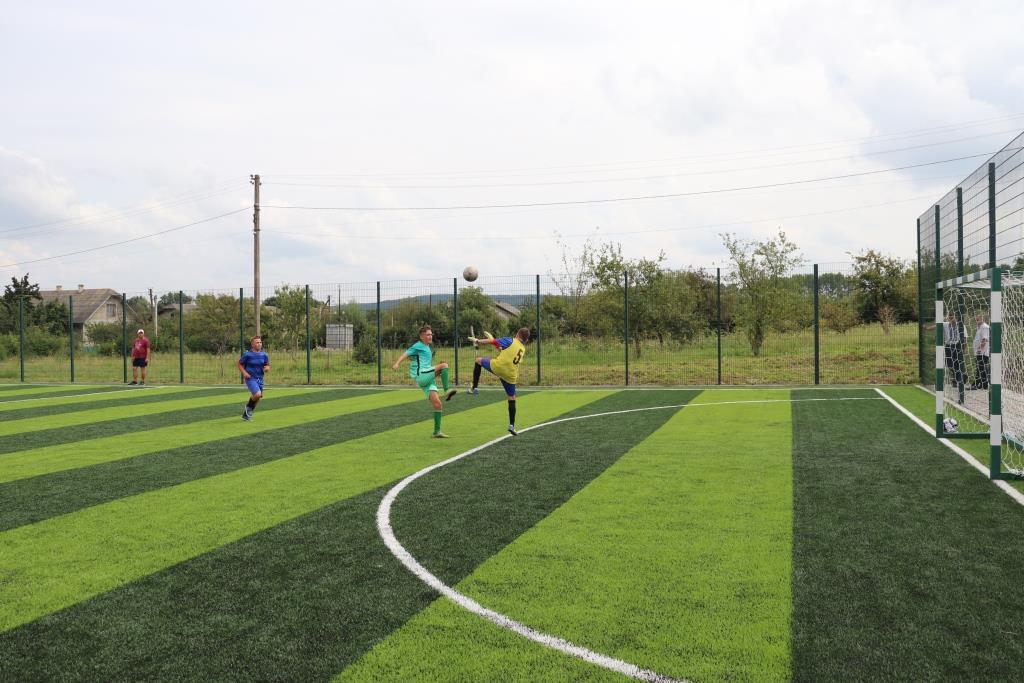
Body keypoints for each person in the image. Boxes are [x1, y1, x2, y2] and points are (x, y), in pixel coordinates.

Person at [392, 324, 457, 438]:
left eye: (431, 334)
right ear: (421, 336)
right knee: (444, 365)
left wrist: (436, 373)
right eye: (428, 335)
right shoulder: (418, 345)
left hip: (427, 377)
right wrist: (397, 363)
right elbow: (405, 354)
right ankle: (446, 391)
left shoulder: (427, 347)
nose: (430, 336)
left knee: (437, 404)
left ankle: (437, 432)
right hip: (422, 375)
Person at [468, 327, 530, 436]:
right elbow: (503, 350)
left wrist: (478, 341)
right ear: (526, 340)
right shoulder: (523, 349)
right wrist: (493, 340)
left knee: (478, 361)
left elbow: (493, 342)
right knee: (512, 398)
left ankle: (475, 388)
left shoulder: (510, 340)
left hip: (498, 367)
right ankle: (512, 425)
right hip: (510, 376)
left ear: (517, 334)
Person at [238, 336, 270, 421]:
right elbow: (240, 364)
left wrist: (267, 368)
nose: (259, 344)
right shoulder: (247, 354)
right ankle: (248, 407)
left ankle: (246, 415)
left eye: (260, 342)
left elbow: (267, 364)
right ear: (252, 344)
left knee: (257, 398)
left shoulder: (264, 355)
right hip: (250, 378)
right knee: (257, 394)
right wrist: (244, 373)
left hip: (260, 379)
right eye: (257, 342)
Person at [945, 311, 967, 404]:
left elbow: (965, 338)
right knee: (950, 364)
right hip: (948, 346)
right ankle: (956, 378)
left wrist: (964, 348)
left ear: (955, 317)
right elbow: (936, 326)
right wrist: (926, 328)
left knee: (958, 364)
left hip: (957, 346)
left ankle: (959, 379)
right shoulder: (945, 325)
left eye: (952, 317)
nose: (951, 319)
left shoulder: (961, 326)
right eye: (949, 317)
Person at [972, 311, 990, 390]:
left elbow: (984, 339)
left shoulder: (984, 327)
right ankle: (983, 384)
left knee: (981, 368)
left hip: (983, 352)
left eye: (978, 319)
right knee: (980, 368)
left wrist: (980, 349)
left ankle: (978, 384)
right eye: (976, 319)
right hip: (980, 352)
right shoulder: (979, 327)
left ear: (983, 319)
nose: (977, 321)